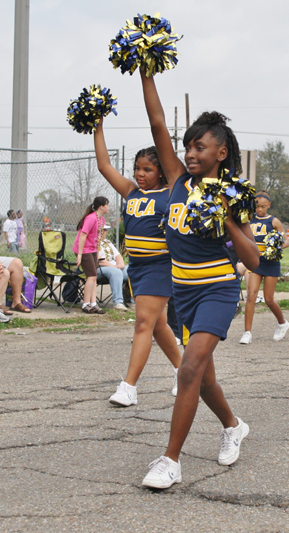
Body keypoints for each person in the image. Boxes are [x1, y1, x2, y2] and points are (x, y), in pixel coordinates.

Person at [139, 69, 260, 490]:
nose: (190, 152)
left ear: (221, 152)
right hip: (182, 293)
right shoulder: (176, 180)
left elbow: (254, 256)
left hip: (218, 289)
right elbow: (157, 123)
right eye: (188, 145)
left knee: (188, 370)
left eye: (200, 146)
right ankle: (232, 424)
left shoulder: (231, 195)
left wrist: (225, 219)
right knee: (202, 377)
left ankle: (170, 461)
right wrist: (145, 70)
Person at [93, 122, 182, 406]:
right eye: (137, 168)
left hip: (160, 266)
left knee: (143, 322)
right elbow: (104, 165)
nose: (140, 174)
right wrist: (98, 127)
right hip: (138, 268)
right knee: (157, 326)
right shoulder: (131, 192)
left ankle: (129, 387)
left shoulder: (170, 194)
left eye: (148, 170)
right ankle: (184, 371)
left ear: (161, 171)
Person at [239, 191, 289, 345]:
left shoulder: (274, 221)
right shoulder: (249, 220)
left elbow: (286, 241)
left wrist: (276, 247)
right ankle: (247, 332)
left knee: (269, 299)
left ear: (269, 205)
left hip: (271, 263)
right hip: (256, 262)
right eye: (257, 206)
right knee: (251, 296)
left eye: (263, 206)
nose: (260, 209)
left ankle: (282, 323)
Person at [73, 196, 109, 314]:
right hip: (84, 249)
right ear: (101, 207)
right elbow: (83, 235)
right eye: (107, 205)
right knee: (92, 276)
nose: (108, 207)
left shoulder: (101, 220)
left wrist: (97, 253)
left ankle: (93, 304)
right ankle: (86, 304)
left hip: (93, 250)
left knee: (93, 277)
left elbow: (98, 239)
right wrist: (79, 254)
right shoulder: (91, 218)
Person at [97, 224, 129, 311]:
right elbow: (100, 261)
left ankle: (133, 300)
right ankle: (118, 302)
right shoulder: (94, 242)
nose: (106, 232)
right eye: (104, 230)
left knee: (132, 270)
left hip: (115, 267)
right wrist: (115, 267)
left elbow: (118, 256)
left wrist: (121, 264)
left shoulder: (107, 242)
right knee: (116, 272)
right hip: (100, 269)